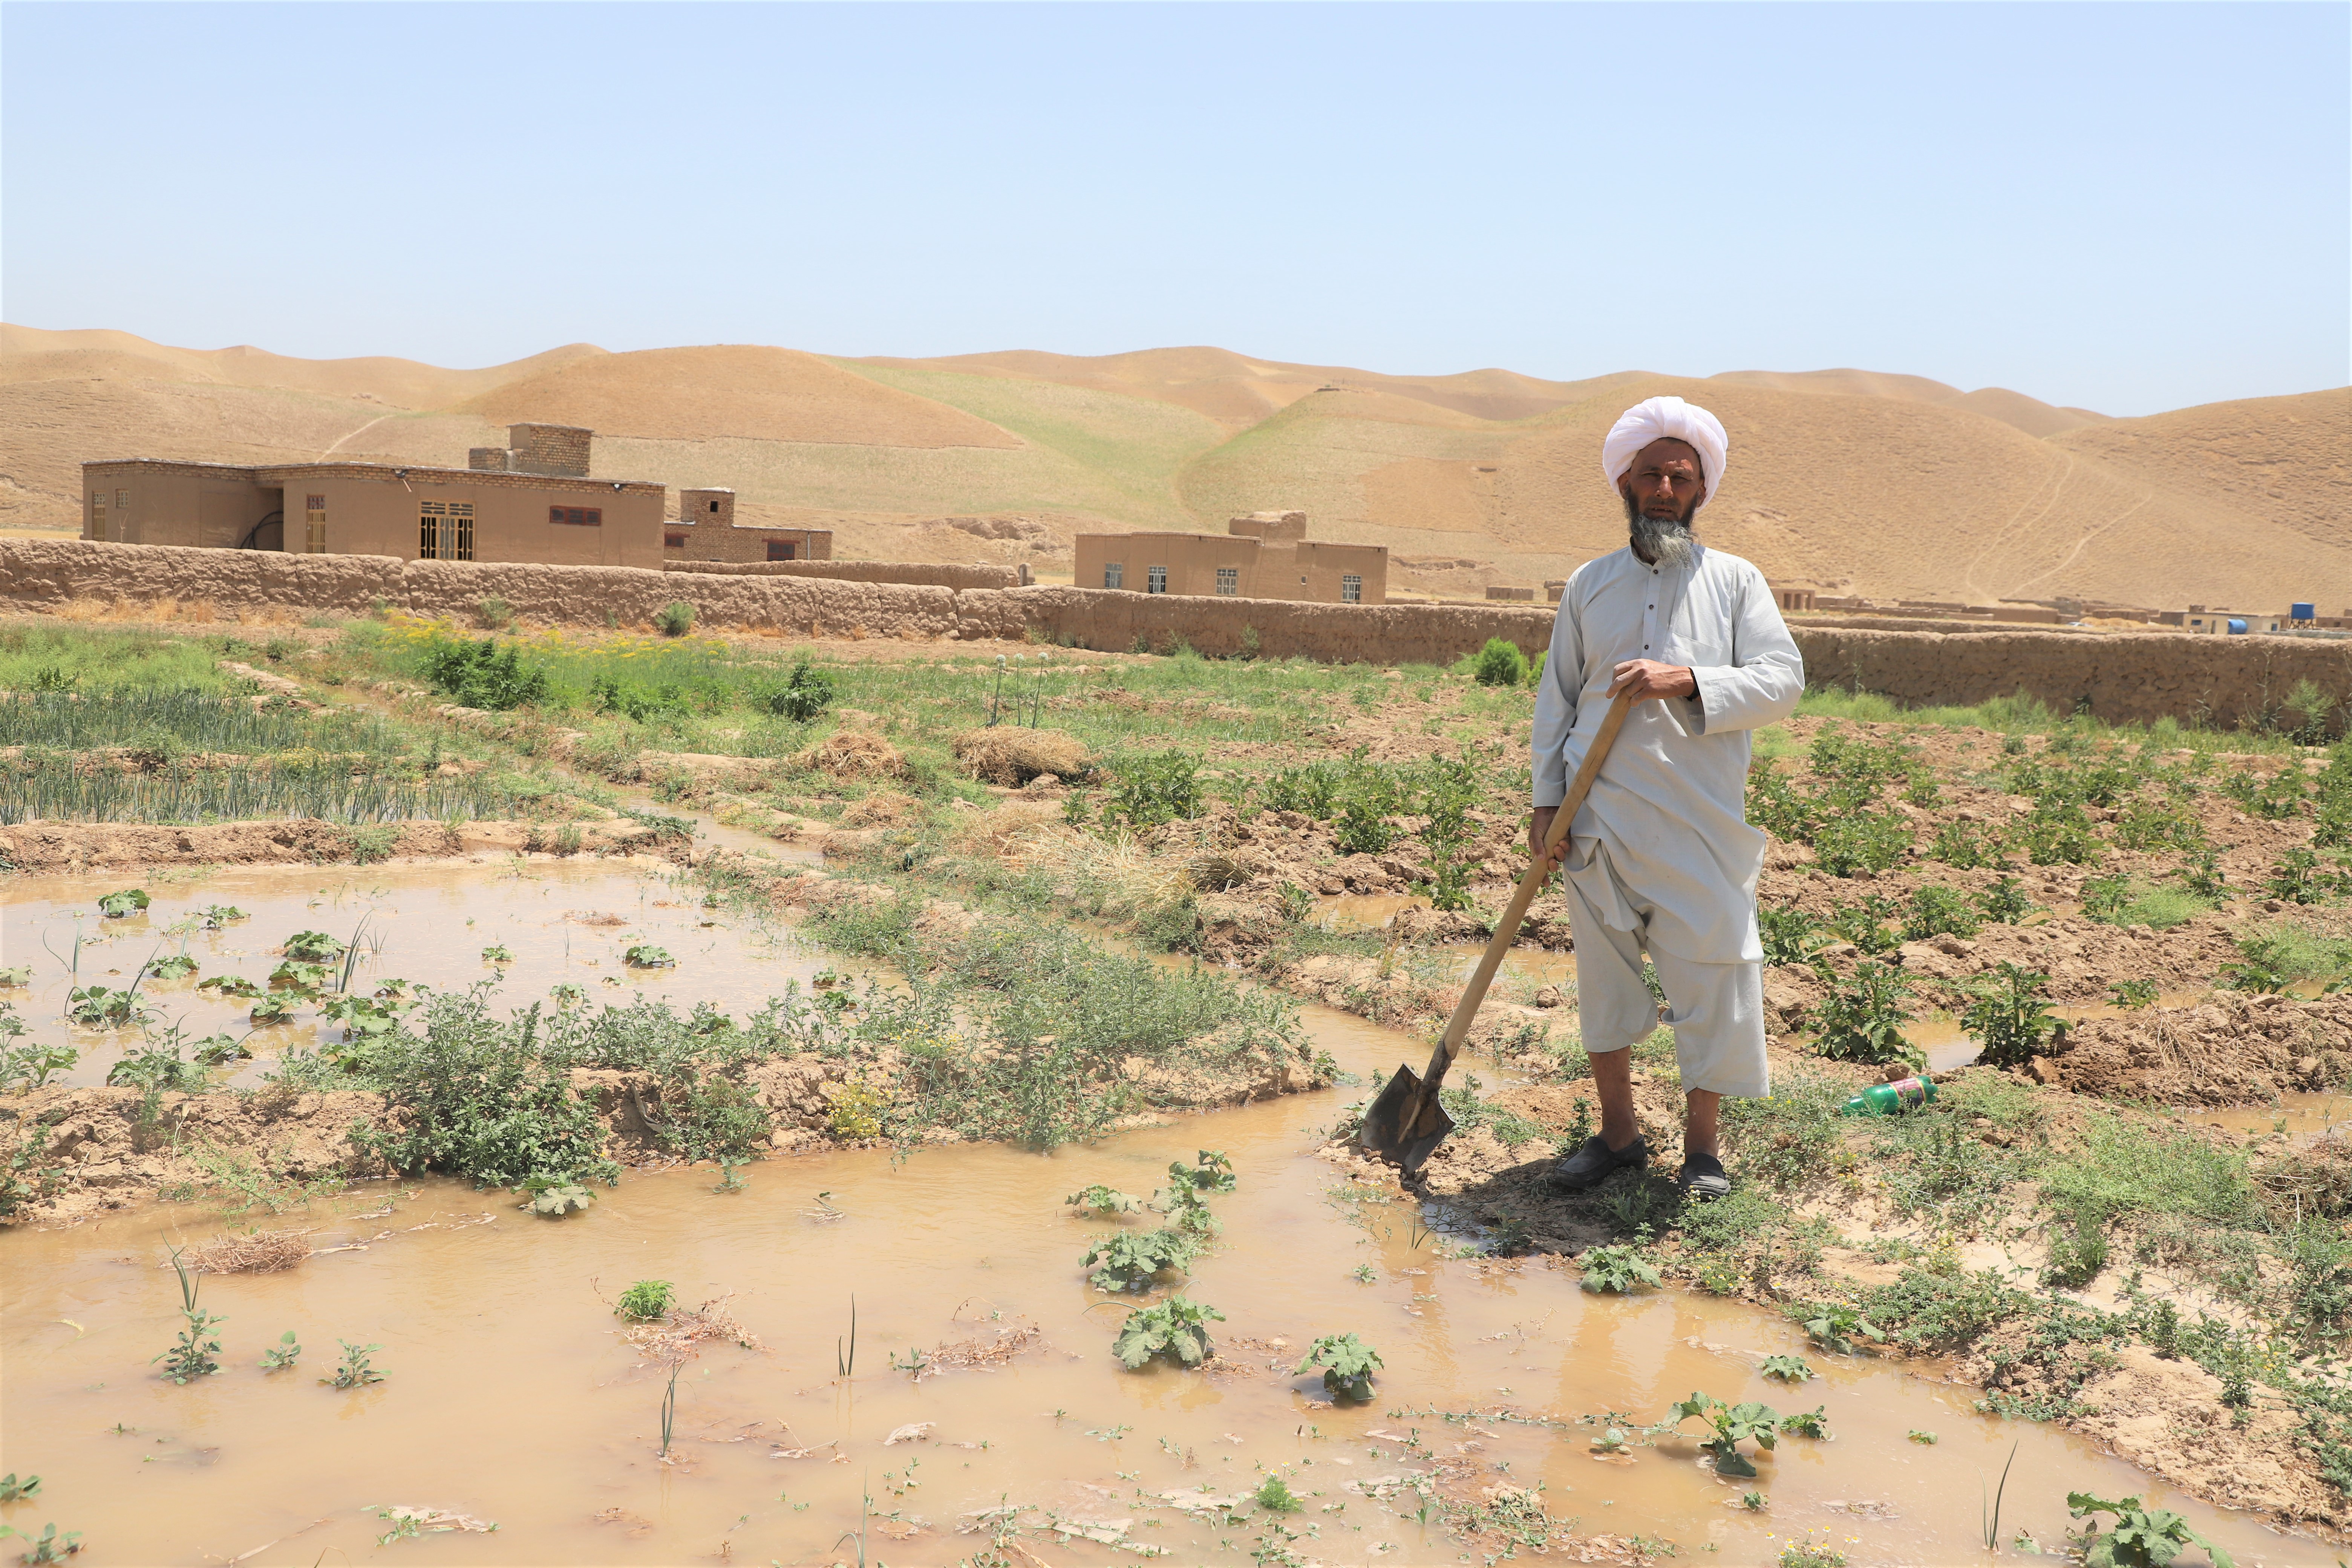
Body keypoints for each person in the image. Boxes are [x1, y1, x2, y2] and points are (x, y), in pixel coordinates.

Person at [1529, 396, 1803, 1200]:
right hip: (1598, 817)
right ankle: (1618, 1137)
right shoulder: (1590, 585)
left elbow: (1783, 680)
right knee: (1605, 983)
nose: (1663, 488)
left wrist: (1685, 680)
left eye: (1679, 477)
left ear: (1700, 493)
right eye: (1649, 473)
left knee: (1715, 973)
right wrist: (1547, 805)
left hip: (1700, 821)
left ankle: (1703, 1152)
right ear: (1624, 481)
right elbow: (1558, 699)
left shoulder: (1737, 584)